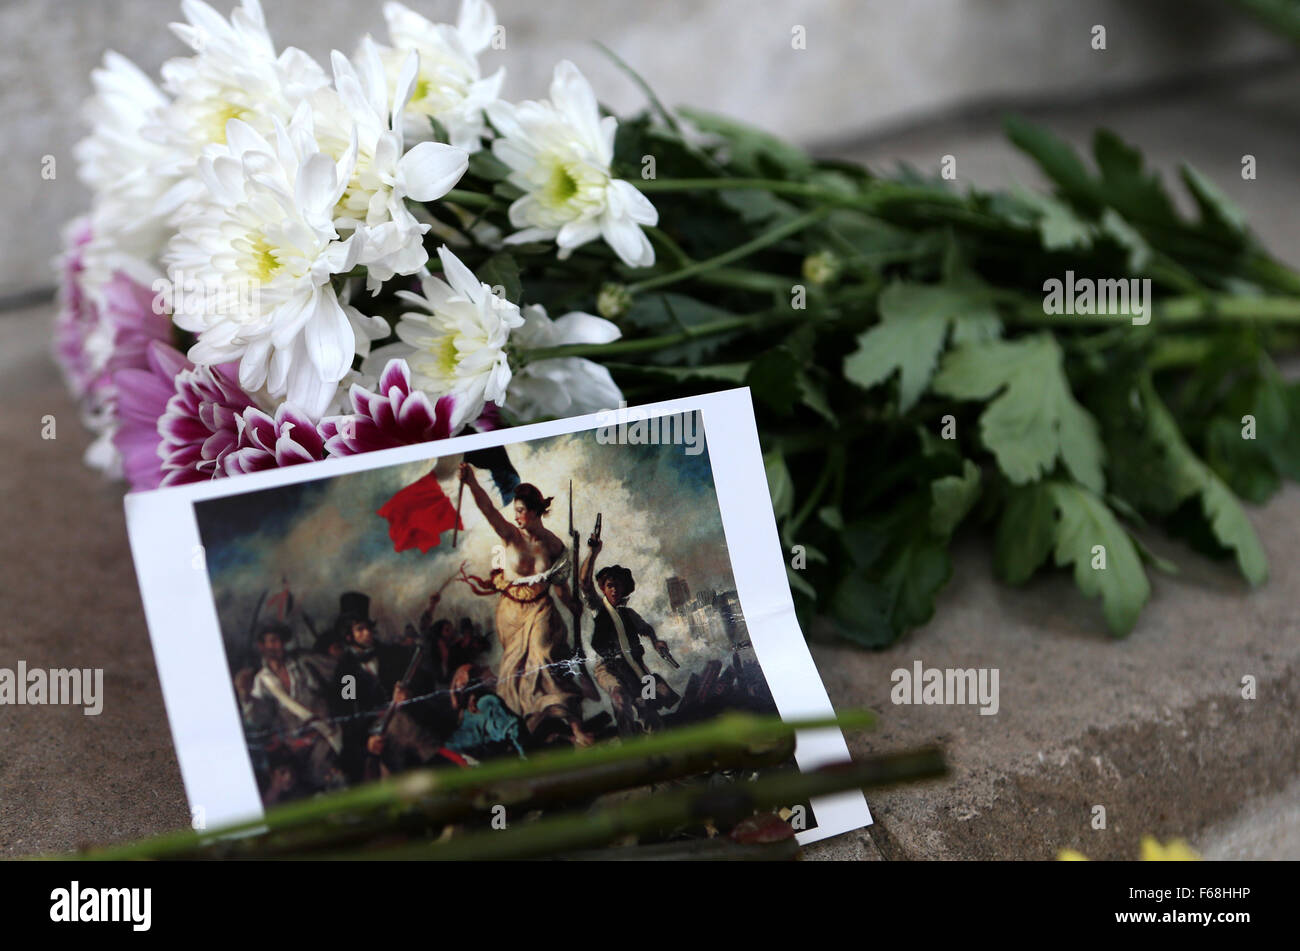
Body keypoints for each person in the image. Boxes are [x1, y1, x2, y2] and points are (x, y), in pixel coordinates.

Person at [458, 464, 593, 746]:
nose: (516, 515)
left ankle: (577, 727)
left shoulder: (554, 545)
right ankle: (527, 728)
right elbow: (488, 510)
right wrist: (470, 482)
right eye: (515, 509)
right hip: (510, 613)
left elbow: (560, 586)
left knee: (544, 656)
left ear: (534, 510)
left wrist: (570, 605)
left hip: (541, 609)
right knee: (512, 671)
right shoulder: (510, 535)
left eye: (521, 510)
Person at [579, 535, 680, 736]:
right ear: (604, 589)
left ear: (624, 588)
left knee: (648, 707)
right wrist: (593, 553)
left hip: (635, 667)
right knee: (619, 699)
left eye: (618, 585)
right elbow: (584, 583)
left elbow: (647, 628)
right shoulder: (599, 609)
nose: (614, 589)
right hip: (608, 667)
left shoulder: (630, 614)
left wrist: (656, 641)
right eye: (610, 586)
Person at [236, 620, 343, 792]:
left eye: (278, 641)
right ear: (262, 646)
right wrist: (245, 696)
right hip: (294, 745)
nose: (275, 646)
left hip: (323, 733)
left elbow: (337, 677)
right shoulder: (262, 681)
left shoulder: (303, 664)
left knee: (331, 774)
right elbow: (257, 718)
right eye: (270, 641)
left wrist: (347, 695)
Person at [445, 664, 526, 759]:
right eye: (460, 675)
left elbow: (513, 729)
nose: (460, 681)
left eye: (467, 675)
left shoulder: (485, 703)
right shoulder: (479, 705)